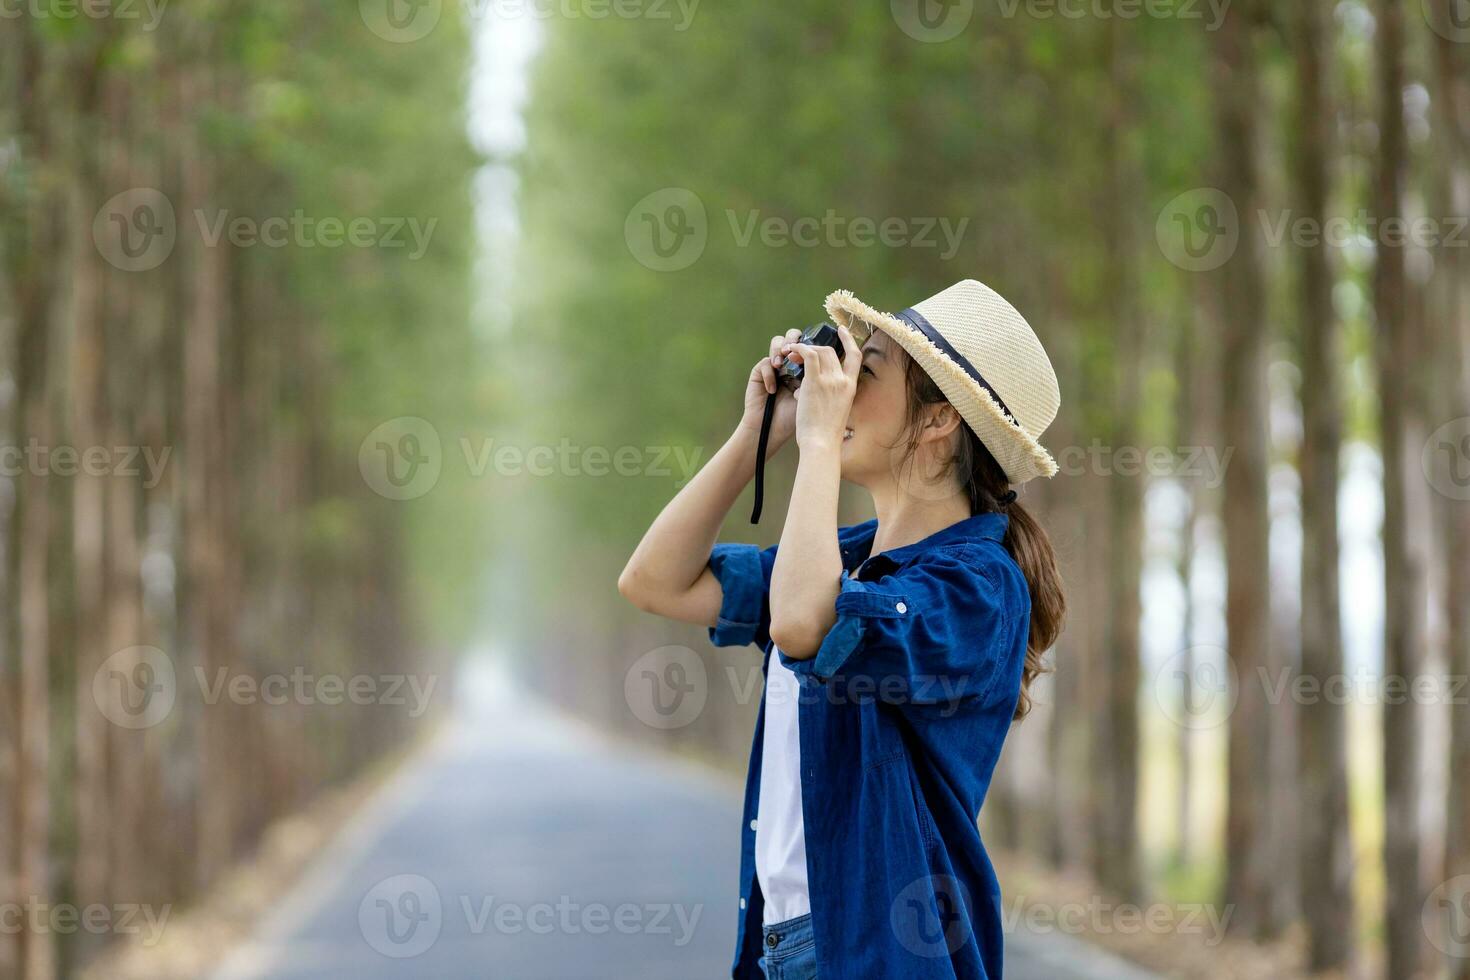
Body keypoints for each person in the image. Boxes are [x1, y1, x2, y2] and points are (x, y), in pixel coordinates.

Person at [618, 279, 1066, 979]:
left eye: (869, 369)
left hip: (882, 956)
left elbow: (802, 624)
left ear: (941, 419)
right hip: (785, 947)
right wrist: (757, 435)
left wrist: (821, 440)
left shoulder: (978, 584)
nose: (844, 383)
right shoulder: (844, 558)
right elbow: (655, 581)